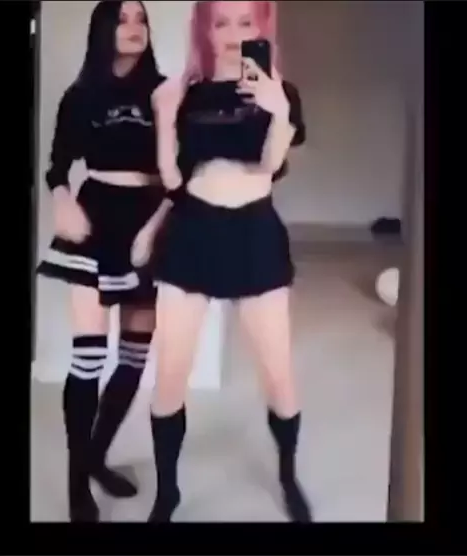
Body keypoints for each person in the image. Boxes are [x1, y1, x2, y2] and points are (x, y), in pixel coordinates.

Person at [147, 0, 313, 522]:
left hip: (254, 233)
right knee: (169, 373)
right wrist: (163, 116)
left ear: (262, 27)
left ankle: (287, 475)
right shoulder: (187, 92)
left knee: (278, 373)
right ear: (205, 29)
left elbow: (270, 166)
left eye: (246, 22)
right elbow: (173, 180)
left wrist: (279, 112)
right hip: (192, 232)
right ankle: (167, 492)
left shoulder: (279, 91)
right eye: (222, 22)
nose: (234, 34)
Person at [37, 0, 172, 522]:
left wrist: (158, 225)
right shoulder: (81, 96)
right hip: (95, 224)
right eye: (123, 19)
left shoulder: (166, 92)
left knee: (135, 356)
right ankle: (78, 486)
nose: (134, 28)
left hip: (149, 224)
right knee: (88, 358)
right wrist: (62, 199)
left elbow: (181, 168)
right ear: (104, 29)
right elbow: (57, 166)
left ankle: (96, 455)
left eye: (142, 19)